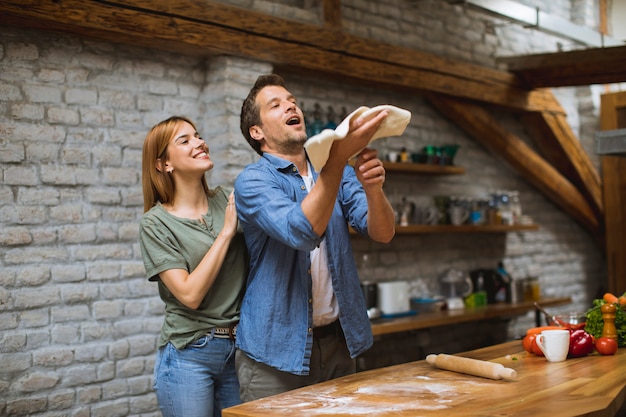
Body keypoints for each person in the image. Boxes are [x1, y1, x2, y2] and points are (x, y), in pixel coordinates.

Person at [234, 74, 396, 401]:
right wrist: (337, 158)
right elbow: (301, 231)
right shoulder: (252, 182)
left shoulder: (338, 173)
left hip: (338, 343)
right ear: (257, 132)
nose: (290, 105)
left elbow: (382, 232)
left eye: (291, 100)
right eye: (275, 105)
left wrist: (374, 190)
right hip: (275, 353)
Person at [138, 116, 248, 417]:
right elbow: (190, 294)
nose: (199, 142)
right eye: (184, 140)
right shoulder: (155, 224)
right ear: (164, 164)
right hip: (189, 355)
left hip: (240, 351)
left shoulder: (228, 198)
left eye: (198, 136)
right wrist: (226, 232)